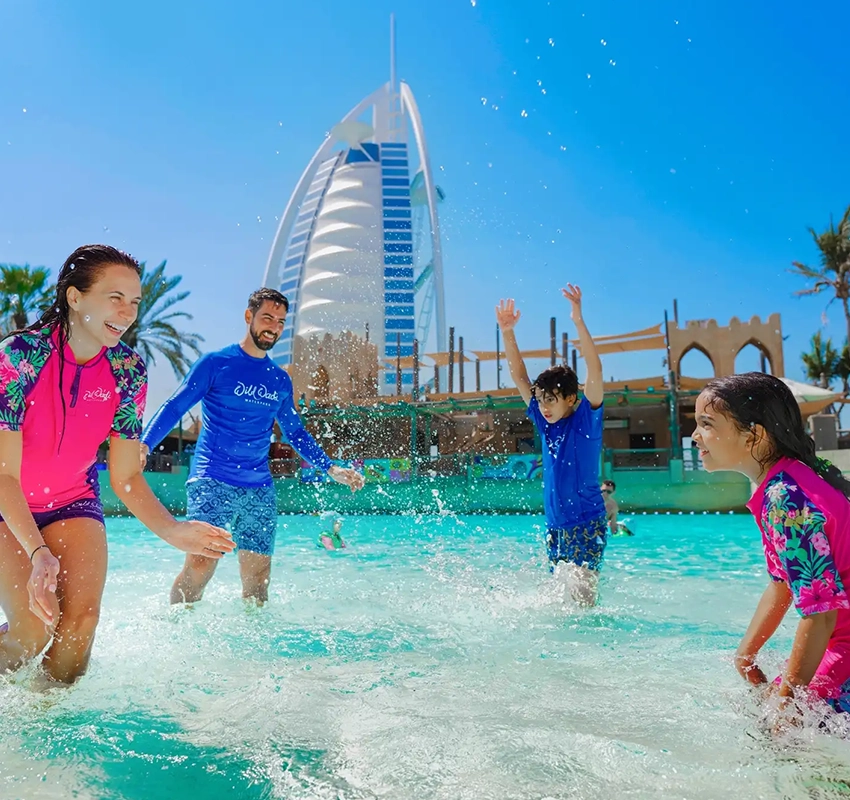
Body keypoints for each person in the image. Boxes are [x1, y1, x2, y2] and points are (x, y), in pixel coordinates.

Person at [0, 244, 234, 685]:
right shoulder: (19, 357)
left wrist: (174, 531)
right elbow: (4, 475)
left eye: (135, 302)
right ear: (75, 297)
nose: (127, 313)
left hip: (72, 501)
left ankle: (48, 718)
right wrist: (38, 553)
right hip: (7, 505)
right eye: (115, 298)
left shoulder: (127, 370)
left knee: (81, 624)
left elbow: (125, 476)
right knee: (32, 629)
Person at [141, 288, 365, 606]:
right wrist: (145, 445)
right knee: (201, 564)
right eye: (267, 318)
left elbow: (295, 432)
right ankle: (176, 625)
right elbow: (176, 405)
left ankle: (254, 638)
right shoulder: (216, 364)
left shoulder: (279, 380)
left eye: (280, 321)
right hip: (212, 480)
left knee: (258, 578)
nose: (273, 327)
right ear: (249, 316)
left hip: (258, 488)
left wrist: (330, 467)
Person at [692, 372, 850, 722]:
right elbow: (782, 583)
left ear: (754, 435)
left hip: (843, 645)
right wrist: (745, 655)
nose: (694, 435)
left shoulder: (785, 499)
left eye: (707, 423)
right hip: (836, 639)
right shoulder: (788, 480)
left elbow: (822, 613)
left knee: (777, 730)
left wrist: (787, 704)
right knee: (759, 713)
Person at [496, 284, 607, 606]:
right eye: (541, 399)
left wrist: (578, 319)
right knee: (561, 601)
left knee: (583, 601)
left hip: (586, 522)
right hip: (555, 526)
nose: (543, 407)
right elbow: (520, 378)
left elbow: (595, 369)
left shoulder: (586, 420)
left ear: (571, 398)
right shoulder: (545, 424)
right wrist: (507, 332)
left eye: (551, 400)